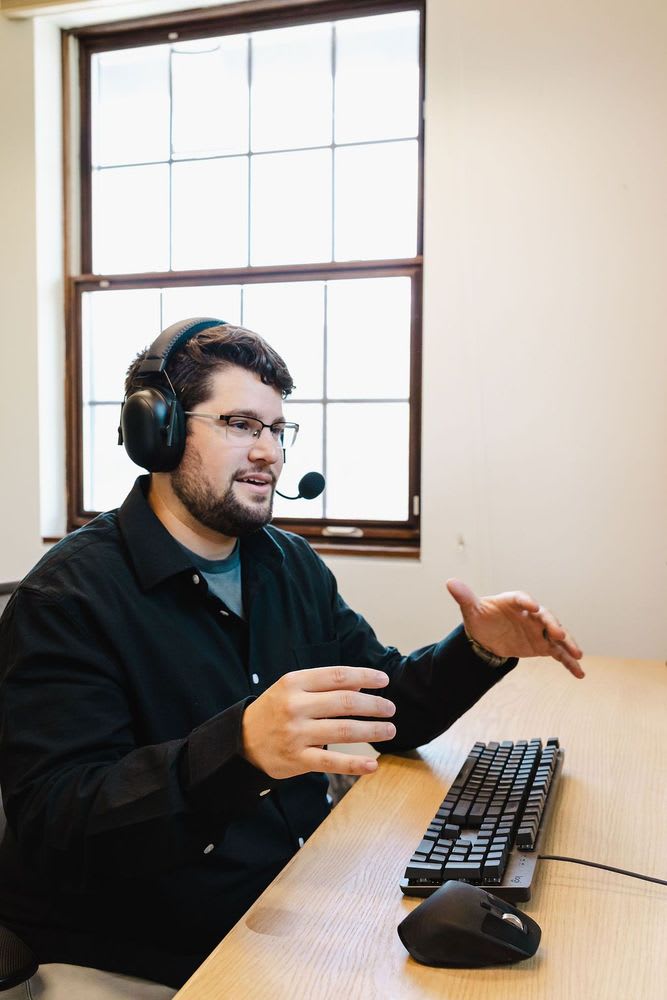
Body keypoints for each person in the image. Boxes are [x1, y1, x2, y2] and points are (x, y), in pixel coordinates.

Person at [0, 321, 583, 991]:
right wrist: (238, 748)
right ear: (156, 431)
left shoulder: (286, 565)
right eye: (242, 424)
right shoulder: (68, 598)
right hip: (141, 946)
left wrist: (478, 650)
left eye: (278, 430)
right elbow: (57, 826)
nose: (268, 453)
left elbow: (383, 708)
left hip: (290, 896)